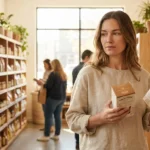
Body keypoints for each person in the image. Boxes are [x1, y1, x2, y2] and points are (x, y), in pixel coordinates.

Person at [66, 11, 150, 150]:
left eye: (116, 33)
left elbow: (145, 122)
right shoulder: (88, 74)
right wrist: (100, 118)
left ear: (128, 36)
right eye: (104, 34)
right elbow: (72, 119)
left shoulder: (143, 76)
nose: (108, 39)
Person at [37, 59, 67, 142]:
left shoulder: (53, 74)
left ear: (54, 65)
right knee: (57, 116)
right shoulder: (63, 74)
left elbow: (48, 86)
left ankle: (46, 135)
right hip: (61, 98)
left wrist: (42, 83)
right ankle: (57, 135)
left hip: (52, 98)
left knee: (48, 116)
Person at [72, 49, 93, 150]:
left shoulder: (75, 69)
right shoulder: (88, 70)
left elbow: (74, 85)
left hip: (78, 97)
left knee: (79, 118)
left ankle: (77, 143)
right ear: (87, 57)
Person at [34, 59, 55, 132]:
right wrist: (40, 81)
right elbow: (44, 81)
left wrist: (42, 82)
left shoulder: (52, 73)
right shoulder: (45, 72)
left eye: (45, 65)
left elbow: (49, 84)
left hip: (48, 93)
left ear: (49, 64)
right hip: (43, 92)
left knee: (49, 111)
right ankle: (47, 126)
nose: (44, 66)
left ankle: (51, 127)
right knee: (45, 110)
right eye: (43, 65)